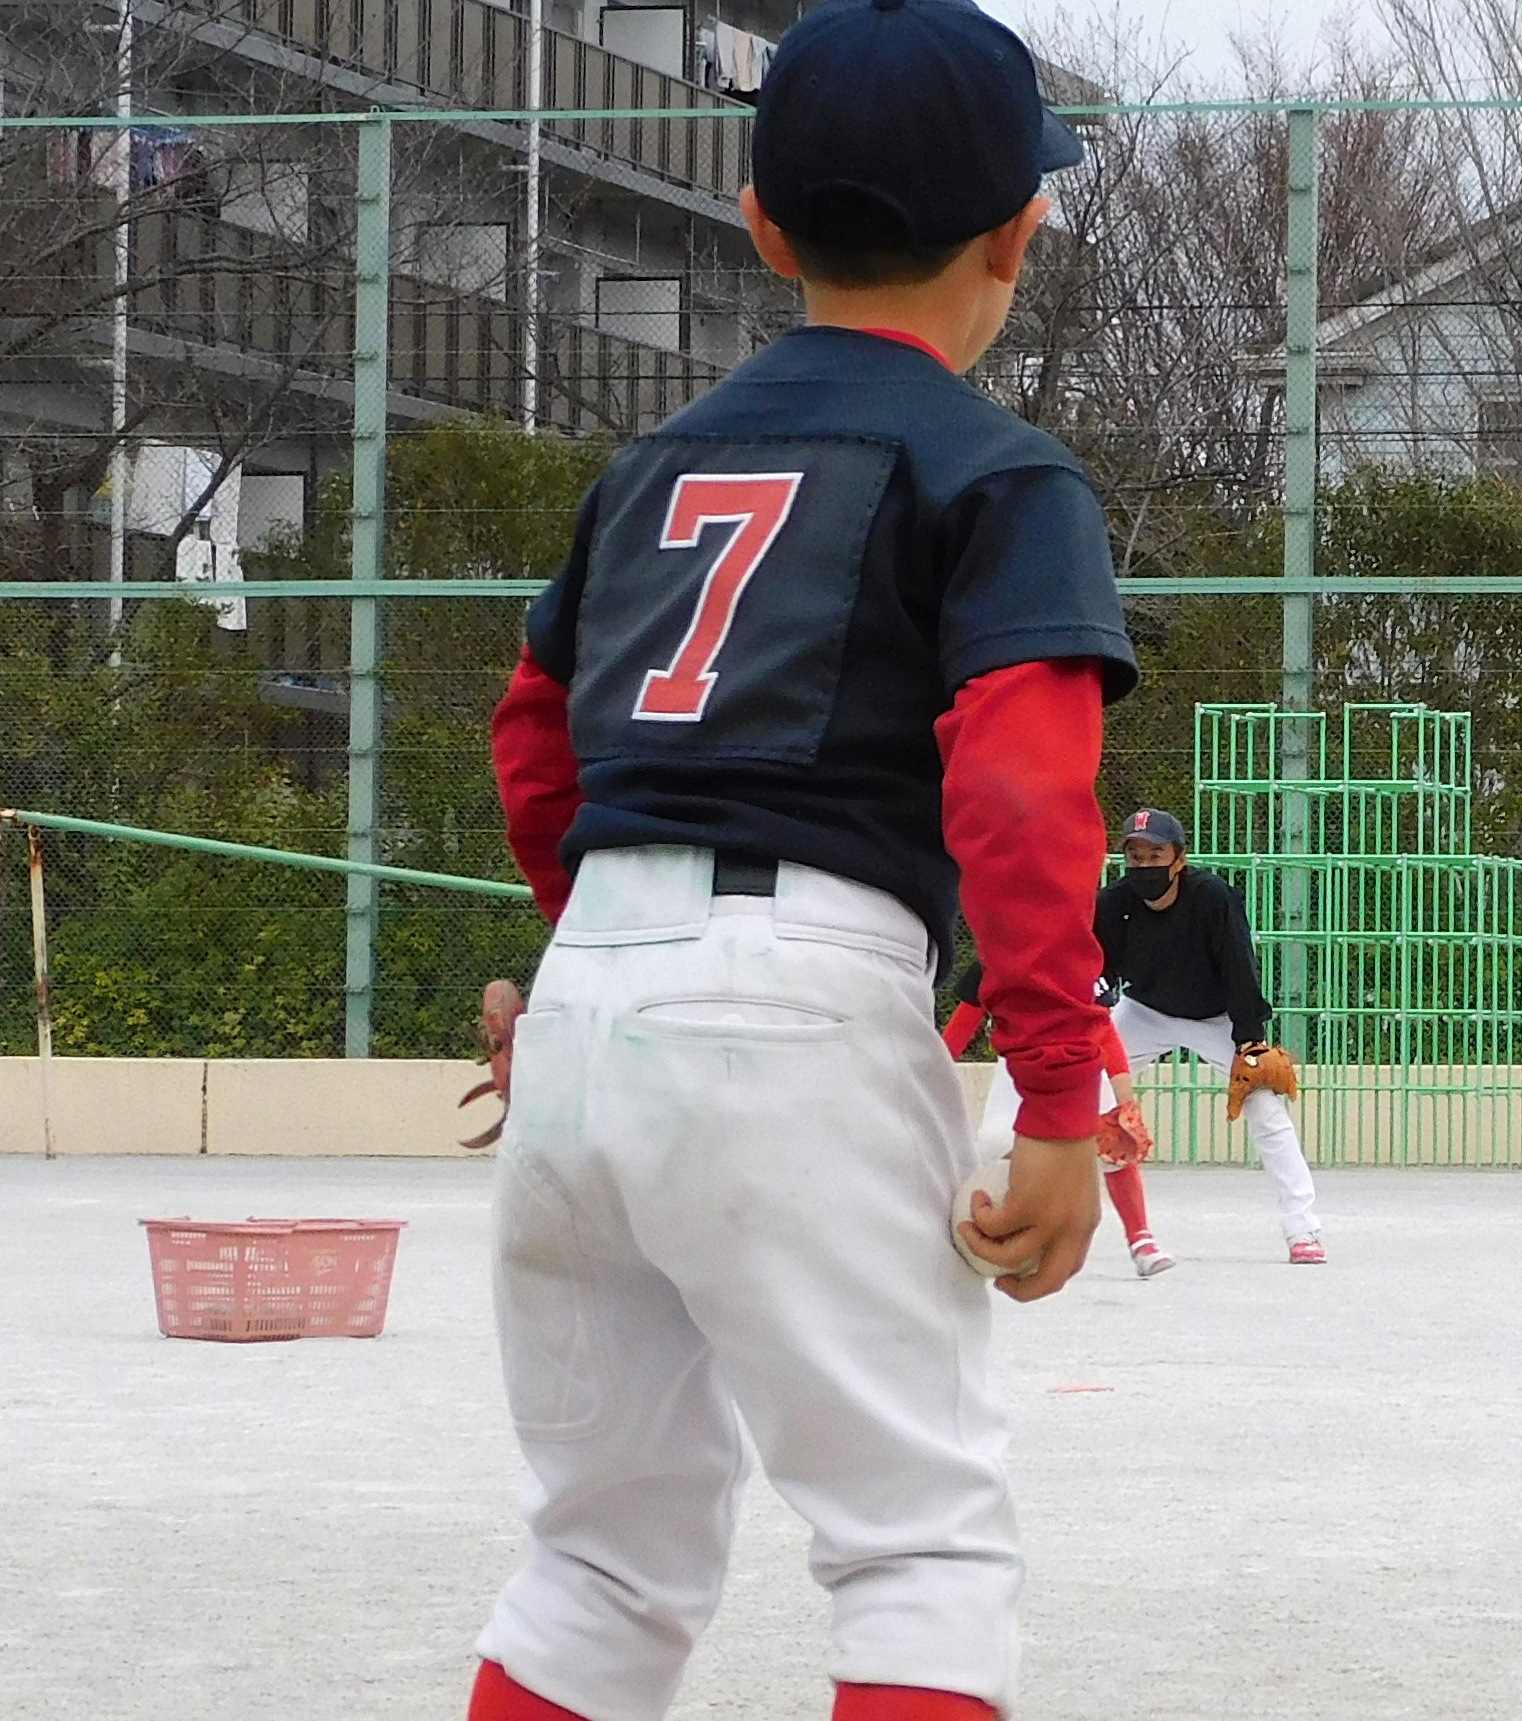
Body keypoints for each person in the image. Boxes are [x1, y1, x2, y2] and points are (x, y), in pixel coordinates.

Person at [465, 4, 1135, 1718]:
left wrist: (601, 965)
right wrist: (1062, 1093)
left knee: (600, 1558)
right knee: (917, 1552)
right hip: (805, 1000)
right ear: (1021, 232)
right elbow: (1017, 786)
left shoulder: (647, 468)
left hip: (591, 1004)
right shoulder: (998, 470)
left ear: (760, 225)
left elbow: (537, 736)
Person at [1098, 808, 1324, 1263]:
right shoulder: (1112, 903)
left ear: (1179, 859)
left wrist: (1251, 1039)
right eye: (1135, 856)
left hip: (1216, 1019)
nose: (1145, 866)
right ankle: (1048, 1210)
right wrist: (1094, 1012)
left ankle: (1303, 1230)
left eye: (1156, 854)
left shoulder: (1213, 898)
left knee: (1266, 1109)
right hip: (1144, 1012)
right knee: (1083, 1088)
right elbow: (1098, 971)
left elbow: (1240, 966)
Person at [946, 961, 1176, 1277]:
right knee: (993, 1144)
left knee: (1115, 1149)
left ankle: (1141, 1239)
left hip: (1080, 1062)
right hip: (1020, 1063)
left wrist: (1125, 1100)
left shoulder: (1080, 959)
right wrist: (936, 1071)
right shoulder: (994, 959)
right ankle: (977, 1230)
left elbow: (1105, 1031)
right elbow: (965, 1021)